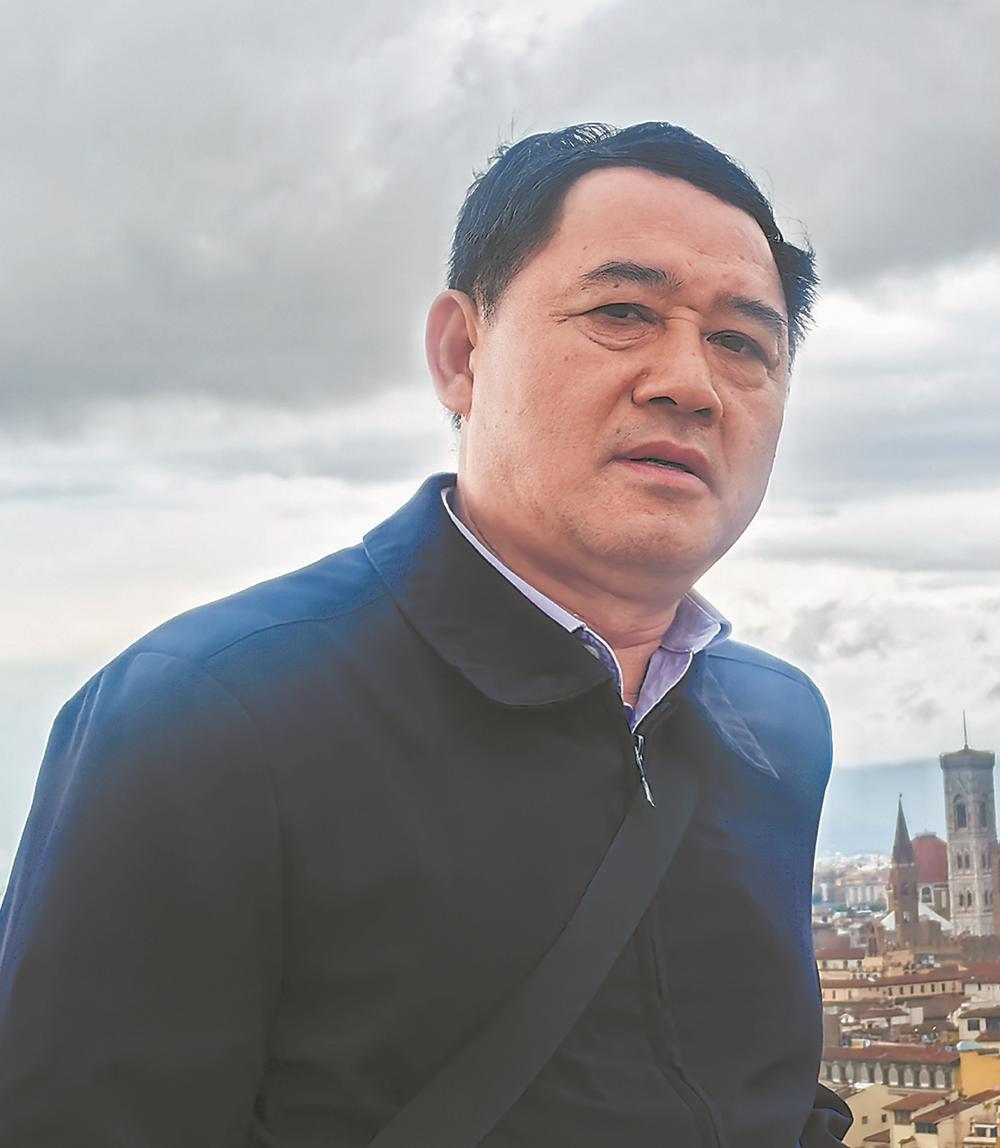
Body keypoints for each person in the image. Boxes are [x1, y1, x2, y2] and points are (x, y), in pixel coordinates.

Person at [0, 122, 851, 1147]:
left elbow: (764, 1093)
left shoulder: (777, 724)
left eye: (742, 343)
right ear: (461, 354)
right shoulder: (201, 718)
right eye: (622, 312)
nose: (690, 383)